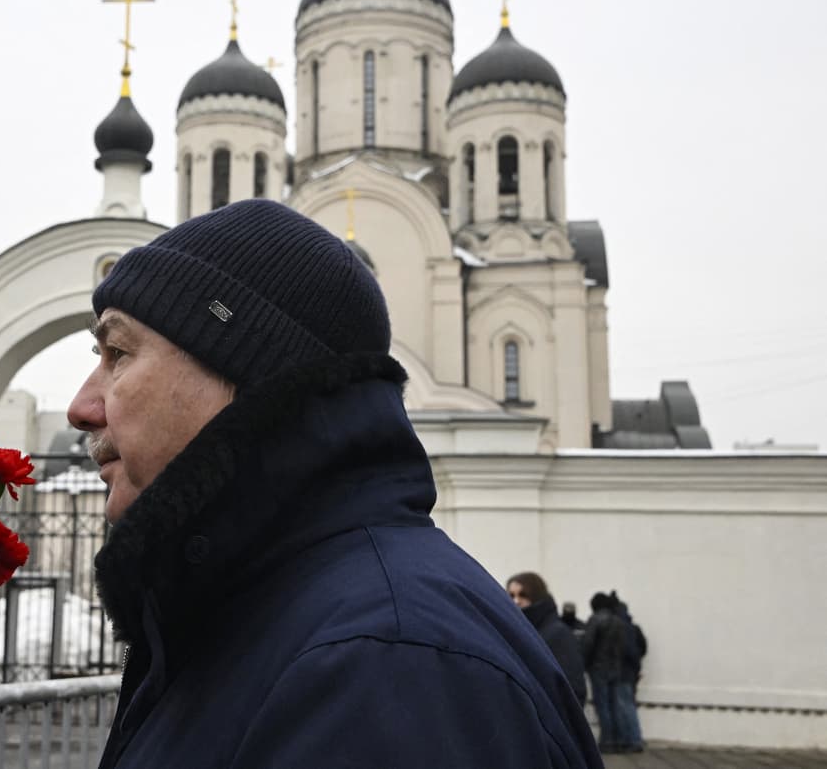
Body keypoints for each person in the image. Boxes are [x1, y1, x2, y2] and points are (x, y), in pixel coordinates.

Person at [67, 200, 603, 768]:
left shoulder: (388, 663)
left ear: (249, 370)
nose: (81, 407)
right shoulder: (263, 613)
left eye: (118, 353)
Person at [507, 572, 587, 705]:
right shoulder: (520, 630)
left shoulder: (557, 632)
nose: (516, 601)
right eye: (511, 596)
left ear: (536, 596)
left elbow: (572, 688)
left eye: (523, 595)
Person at [582, 591, 627, 753]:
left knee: (603, 706)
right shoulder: (618, 621)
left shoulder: (595, 620)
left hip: (599, 668)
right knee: (615, 705)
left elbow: (588, 644)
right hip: (616, 668)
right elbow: (623, 647)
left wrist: (584, 663)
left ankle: (607, 741)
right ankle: (620, 740)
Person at [612, 592, 647, 753]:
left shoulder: (621, 628)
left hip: (623, 672)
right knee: (628, 705)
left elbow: (628, 651)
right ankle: (632, 739)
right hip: (631, 672)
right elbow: (642, 648)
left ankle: (633, 740)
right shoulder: (634, 628)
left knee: (626, 706)